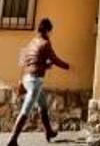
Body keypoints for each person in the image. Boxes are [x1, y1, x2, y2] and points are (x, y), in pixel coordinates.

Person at [8, 18, 70, 146]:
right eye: (50, 31)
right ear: (47, 30)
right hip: (35, 80)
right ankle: (12, 139)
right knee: (26, 110)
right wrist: (68, 66)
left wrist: (44, 65)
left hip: (27, 78)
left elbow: (28, 59)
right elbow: (54, 59)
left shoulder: (33, 42)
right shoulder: (45, 43)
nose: (50, 34)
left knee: (43, 105)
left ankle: (48, 132)